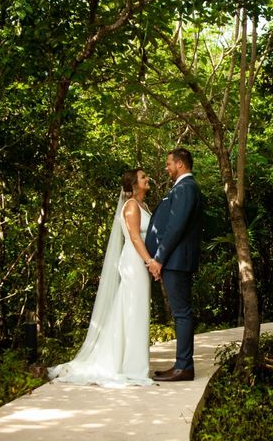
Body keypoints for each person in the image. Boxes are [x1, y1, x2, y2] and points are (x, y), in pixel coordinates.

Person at [47, 169, 154, 387]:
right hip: (135, 261)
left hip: (140, 260)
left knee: (134, 309)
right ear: (134, 184)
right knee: (133, 309)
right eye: (143, 177)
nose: (147, 179)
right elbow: (134, 236)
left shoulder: (143, 206)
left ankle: (131, 362)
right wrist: (149, 262)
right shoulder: (132, 205)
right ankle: (132, 367)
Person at [146, 147, 203, 382]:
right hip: (176, 260)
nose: (167, 167)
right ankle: (181, 365)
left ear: (180, 164)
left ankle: (183, 367)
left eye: (169, 163)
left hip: (176, 261)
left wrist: (159, 258)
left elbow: (175, 227)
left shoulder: (186, 188)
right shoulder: (182, 188)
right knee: (181, 313)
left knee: (181, 313)